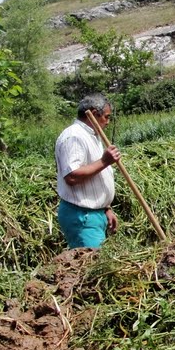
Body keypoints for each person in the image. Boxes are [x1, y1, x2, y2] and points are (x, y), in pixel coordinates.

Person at [55, 93, 120, 249]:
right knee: (91, 267)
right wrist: (105, 161)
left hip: (94, 214)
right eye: (106, 117)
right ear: (93, 114)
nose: (108, 122)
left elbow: (94, 176)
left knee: (98, 264)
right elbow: (71, 176)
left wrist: (106, 208)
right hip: (82, 217)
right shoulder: (74, 136)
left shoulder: (91, 135)